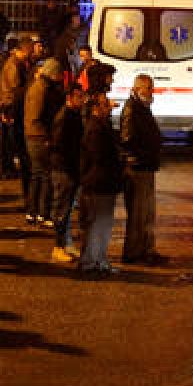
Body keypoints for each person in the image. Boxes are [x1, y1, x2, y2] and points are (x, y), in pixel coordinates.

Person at [120, 73, 166, 265]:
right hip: (138, 167)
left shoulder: (141, 107)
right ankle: (134, 252)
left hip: (145, 165)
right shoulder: (133, 109)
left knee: (146, 213)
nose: (152, 91)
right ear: (139, 89)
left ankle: (146, 249)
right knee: (139, 213)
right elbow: (128, 139)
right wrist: (143, 154)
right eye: (149, 88)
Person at [78, 92, 123, 275]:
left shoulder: (100, 125)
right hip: (99, 183)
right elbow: (99, 157)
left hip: (103, 182)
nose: (110, 107)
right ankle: (90, 262)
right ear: (96, 109)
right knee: (98, 223)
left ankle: (99, 260)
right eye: (105, 104)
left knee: (103, 223)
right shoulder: (95, 129)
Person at [24, 58, 65, 226]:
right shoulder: (41, 89)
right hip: (38, 138)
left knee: (37, 175)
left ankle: (32, 212)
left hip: (33, 136)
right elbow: (35, 117)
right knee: (45, 175)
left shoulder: (41, 87)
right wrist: (46, 138)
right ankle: (42, 213)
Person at [48, 84, 86, 264]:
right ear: (69, 97)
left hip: (70, 169)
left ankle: (66, 244)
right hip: (64, 170)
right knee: (62, 210)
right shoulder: (64, 118)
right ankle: (58, 246)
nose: (82, 100)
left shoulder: (74, 115)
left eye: (82, 96)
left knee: (68, 210)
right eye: (78, 96)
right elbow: (60, 146)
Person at [0, 38, 31, 182]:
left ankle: (9, 169)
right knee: (10, 141)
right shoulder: (14, 65)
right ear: (24, 50)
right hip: (11, 107)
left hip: (11, 105)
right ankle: (7, 169)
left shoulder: (17, 63)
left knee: (10, 140)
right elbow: (14, 90)